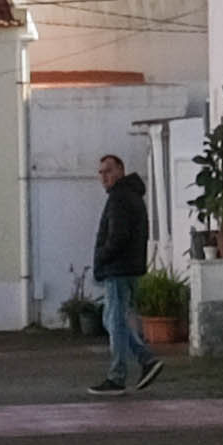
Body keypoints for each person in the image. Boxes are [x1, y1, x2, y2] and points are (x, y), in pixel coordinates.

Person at [86, 153, 156, 392]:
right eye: (101, 172)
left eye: (108, 171)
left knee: (115, 321)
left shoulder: (119, 198)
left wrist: (102, 257)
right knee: (112, 319)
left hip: (118, 268)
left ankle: (119, 375)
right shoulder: (132, 196)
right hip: (128, 266)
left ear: (120, 171)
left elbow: (118, 235)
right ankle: (145, 359)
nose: (104, 177)